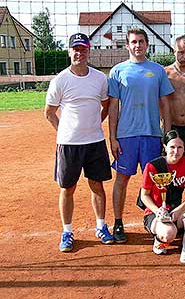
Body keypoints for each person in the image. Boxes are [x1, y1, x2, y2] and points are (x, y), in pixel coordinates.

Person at [44, 32, 113, 252]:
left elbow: (105, 106)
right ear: (69, 51)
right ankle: (67, 231)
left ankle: (101, 227)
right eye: (75, 49)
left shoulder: (100, 79)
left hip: (95, 141)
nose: (79, 53)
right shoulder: (60, 80)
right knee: (68, 188)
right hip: (69, 144)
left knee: (97, 185)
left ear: (88, 51)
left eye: (83, 49)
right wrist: (63, 131)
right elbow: (49, 113)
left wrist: (94, 124)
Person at [108, 28, 174, 243]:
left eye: (141, 42)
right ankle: (118, 223)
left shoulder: (157, 71)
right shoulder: (117, 71)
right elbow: (113, 107)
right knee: (122, 180)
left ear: (147, 44)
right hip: (126, 136)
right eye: (133, 42)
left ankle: (157, 220)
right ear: (127, 45)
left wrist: (167, 136)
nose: (137, 46)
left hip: (152, 135)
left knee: (156, 181)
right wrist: (113, 137)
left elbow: (165, 103)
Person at [141, 130, 185, 255]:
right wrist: (158, 211)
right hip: (155, 213)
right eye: (172, 147)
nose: (176, 151)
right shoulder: (153, 166)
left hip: (176, 211)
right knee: (168, 234)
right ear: (165, 147)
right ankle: (159, 240)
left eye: (180, 147)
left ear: (184, 149)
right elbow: (144, 195)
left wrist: (180, 210)